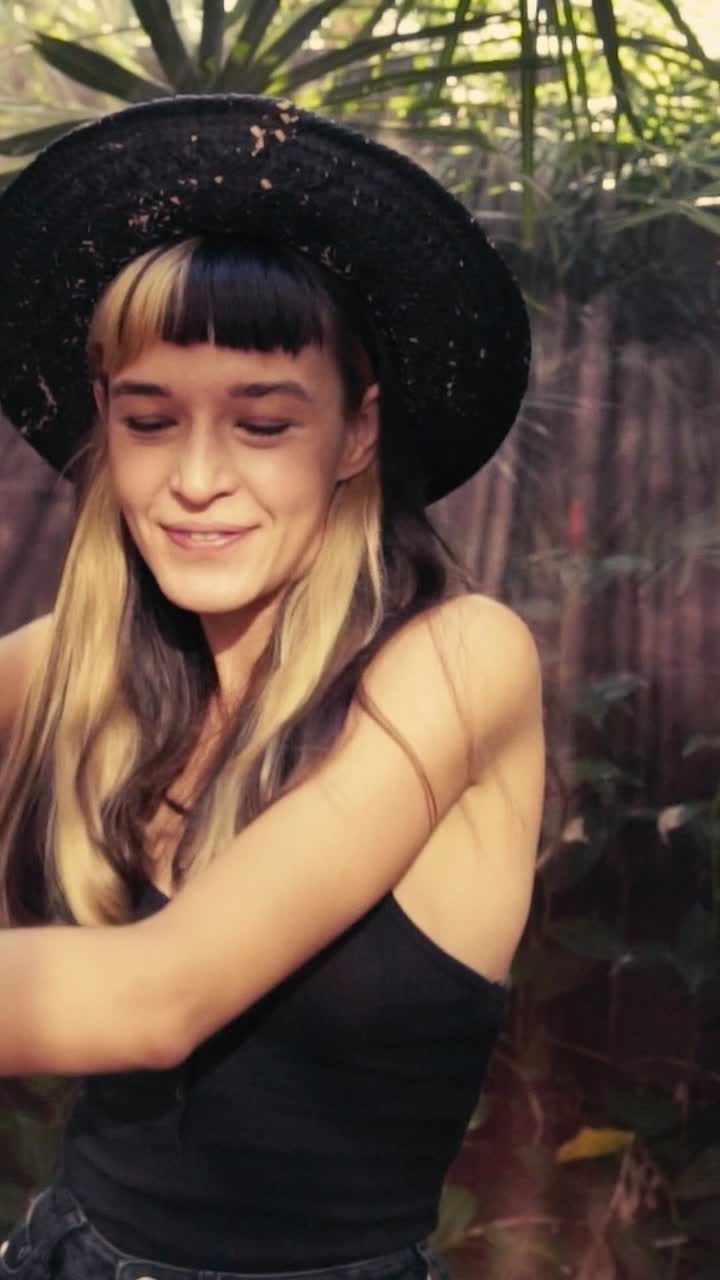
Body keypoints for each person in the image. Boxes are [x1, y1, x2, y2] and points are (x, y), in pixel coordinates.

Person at [0, 94, 545, 1280]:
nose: (196, 478)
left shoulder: (458, 659)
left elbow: (160, 995)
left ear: (354, 434)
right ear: (107, 421)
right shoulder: (72, 662)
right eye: (151, 419)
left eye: (261, 423)